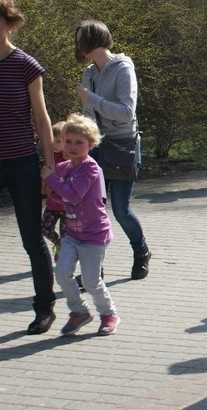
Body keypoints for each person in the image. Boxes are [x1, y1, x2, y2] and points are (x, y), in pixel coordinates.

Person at [74, 20, 152, 280]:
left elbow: (126, 113)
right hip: (95, 148)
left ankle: (141, 252)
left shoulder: (123, 69)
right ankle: (93, 270)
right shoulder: (89, 73)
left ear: (92, 41)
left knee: (120, 210)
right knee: (92, 211)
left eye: (80, 39)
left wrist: (91, 99)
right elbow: (88, 114)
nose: (77, 45)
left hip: (121, 146)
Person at [0, 0, 57, 334]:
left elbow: (42, 117)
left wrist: (49, 164)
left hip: (21, 160)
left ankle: (44, 308)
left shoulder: (25, 65)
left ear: (9, 24)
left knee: (31, 238)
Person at [42, 115, 119, 336]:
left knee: (91, 280)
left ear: (90, 144)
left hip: (95, 235)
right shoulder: (64, 167)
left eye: (79, 143)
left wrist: (51, 179)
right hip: (73, 233)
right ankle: (79, 311)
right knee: (62, 272)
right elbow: (55, 190)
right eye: (68, 141)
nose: (73, 147)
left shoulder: (90, 168)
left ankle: (109, 314)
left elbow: (74, 196)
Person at [41, 121, 67, 261]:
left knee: (66, 234)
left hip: (66, 207)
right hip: (52, 204)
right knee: (45, 228)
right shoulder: (50, 157)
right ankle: (58, 243)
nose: (54, 144)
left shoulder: (70, 160)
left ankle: (65, 258)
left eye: (58, 141)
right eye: (53, 141)